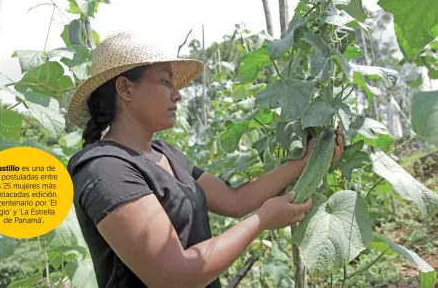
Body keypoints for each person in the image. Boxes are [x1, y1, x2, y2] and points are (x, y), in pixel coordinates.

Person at [66, 31, 344, 288]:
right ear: (125, 89)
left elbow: (235, 200)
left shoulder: (166, 154)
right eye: (165, 81)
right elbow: (175, 277)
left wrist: (306, 160)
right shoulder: (105, 169)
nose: (178, 93)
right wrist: (261, 221)